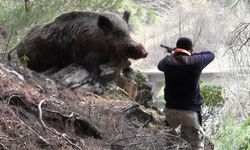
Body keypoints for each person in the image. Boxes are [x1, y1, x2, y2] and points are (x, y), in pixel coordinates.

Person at [158, 37, 215, 150]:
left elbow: (160, 66)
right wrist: (190, 54)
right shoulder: (197, 61)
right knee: (196, 146)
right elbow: (211, 54)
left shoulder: (168, 61)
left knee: (170, 144)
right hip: (190, 112)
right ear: (191, 50)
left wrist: (175, 53)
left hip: (171, 110)